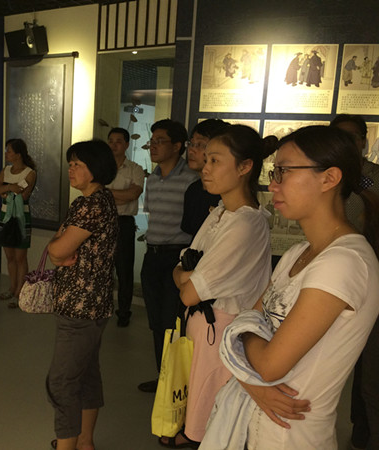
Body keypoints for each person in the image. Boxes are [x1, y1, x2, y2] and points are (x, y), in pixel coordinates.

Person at [201, 125, 379, 450]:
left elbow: (268, 364)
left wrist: (243, 335)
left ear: (329, 178)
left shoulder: (344, 262)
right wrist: (251, 375)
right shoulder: (298, 253)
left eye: (283, 172)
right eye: (274, 173)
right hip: (254, 425)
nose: (273, 184)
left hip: (291, 436)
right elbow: (247, 336)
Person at [159, 125, 274, 448]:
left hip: (220, 330)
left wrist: (186, 274)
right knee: (197, 402)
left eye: (215, 161)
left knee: (213, 415)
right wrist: (187, 273)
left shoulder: (246, 223)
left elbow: (189, 290)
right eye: (206, 159)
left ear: (245, 166)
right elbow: (183, 263)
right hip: (203, 326)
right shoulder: (222, 212)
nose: (205, 169)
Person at [46, 140, 118, 450]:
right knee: (86, 374)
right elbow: (59, 247)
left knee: (62, 382)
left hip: (79, 307)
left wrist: (58, 250)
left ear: (95, 168)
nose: (71, 169)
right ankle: (85, 441)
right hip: (95, 304)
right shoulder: (99, 199)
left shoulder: (90, 205)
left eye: (78, 164)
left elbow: (57, 249)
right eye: (71, 163)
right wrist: (59, 250)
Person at [138, 120, 199, 393]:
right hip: (152, 255)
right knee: (155, 322)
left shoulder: (192, 179)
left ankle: (178, 382)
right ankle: (162, 376)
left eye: (160, 141)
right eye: (152, 141)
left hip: (177, 257)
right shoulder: (152, 178)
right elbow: (151, 213)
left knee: (173, 321)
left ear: (177, 146)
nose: (153, 146)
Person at [330, 114, 379, 450]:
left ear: (363, 140)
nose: (346, 143)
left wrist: (360, 184)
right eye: (339, 137)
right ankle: (356, 426)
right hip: (334, 276)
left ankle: (367, 430)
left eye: (352, 137)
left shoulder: (372, 176)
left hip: (369, 273)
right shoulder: (327, 175)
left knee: (370, 371)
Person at [106, 127, 145, 327]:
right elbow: (95, 194)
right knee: (102, 268)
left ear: (127, 144)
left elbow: (133, 194)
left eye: (118, 141)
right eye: (111, 141)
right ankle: (102, 307)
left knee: (124, 270)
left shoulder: (135, 169)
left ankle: (123, 312)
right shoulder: (101, 168)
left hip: (124, 223)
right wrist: (121, 195)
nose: (114, 145)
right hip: (103, 222)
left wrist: (107, 194)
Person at [0, 138, 37, 308]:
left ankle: (20, 291)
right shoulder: (6, 170)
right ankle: (12, 287)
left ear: (18, 154)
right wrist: (10, 188)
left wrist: (5, 190)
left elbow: (24, 194)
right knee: (9, 256)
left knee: (20, 257)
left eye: (9, 151)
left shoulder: (30, 173)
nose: (6, 154)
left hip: (21, 217)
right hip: (5, 216)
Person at [181, 119, 229, 237]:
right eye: (191, 143)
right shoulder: (193, 190)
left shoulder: (227, 193)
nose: (191, 150)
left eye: (200, 145)